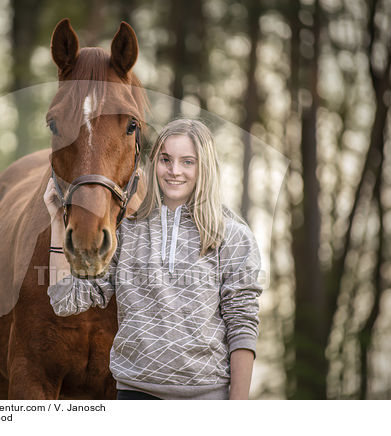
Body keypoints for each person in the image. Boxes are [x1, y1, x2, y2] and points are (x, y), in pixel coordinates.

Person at [44, 118, 262, 400]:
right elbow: (65, 301)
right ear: (152, 163)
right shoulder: (127, 231)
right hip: (135, 396)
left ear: (204, 167)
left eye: (187, 162)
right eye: (166, 159)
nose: (174, 171)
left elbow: (242, 325)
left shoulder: (233, 236)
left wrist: (238, 405)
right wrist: (56, 222)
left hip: (207, 397)